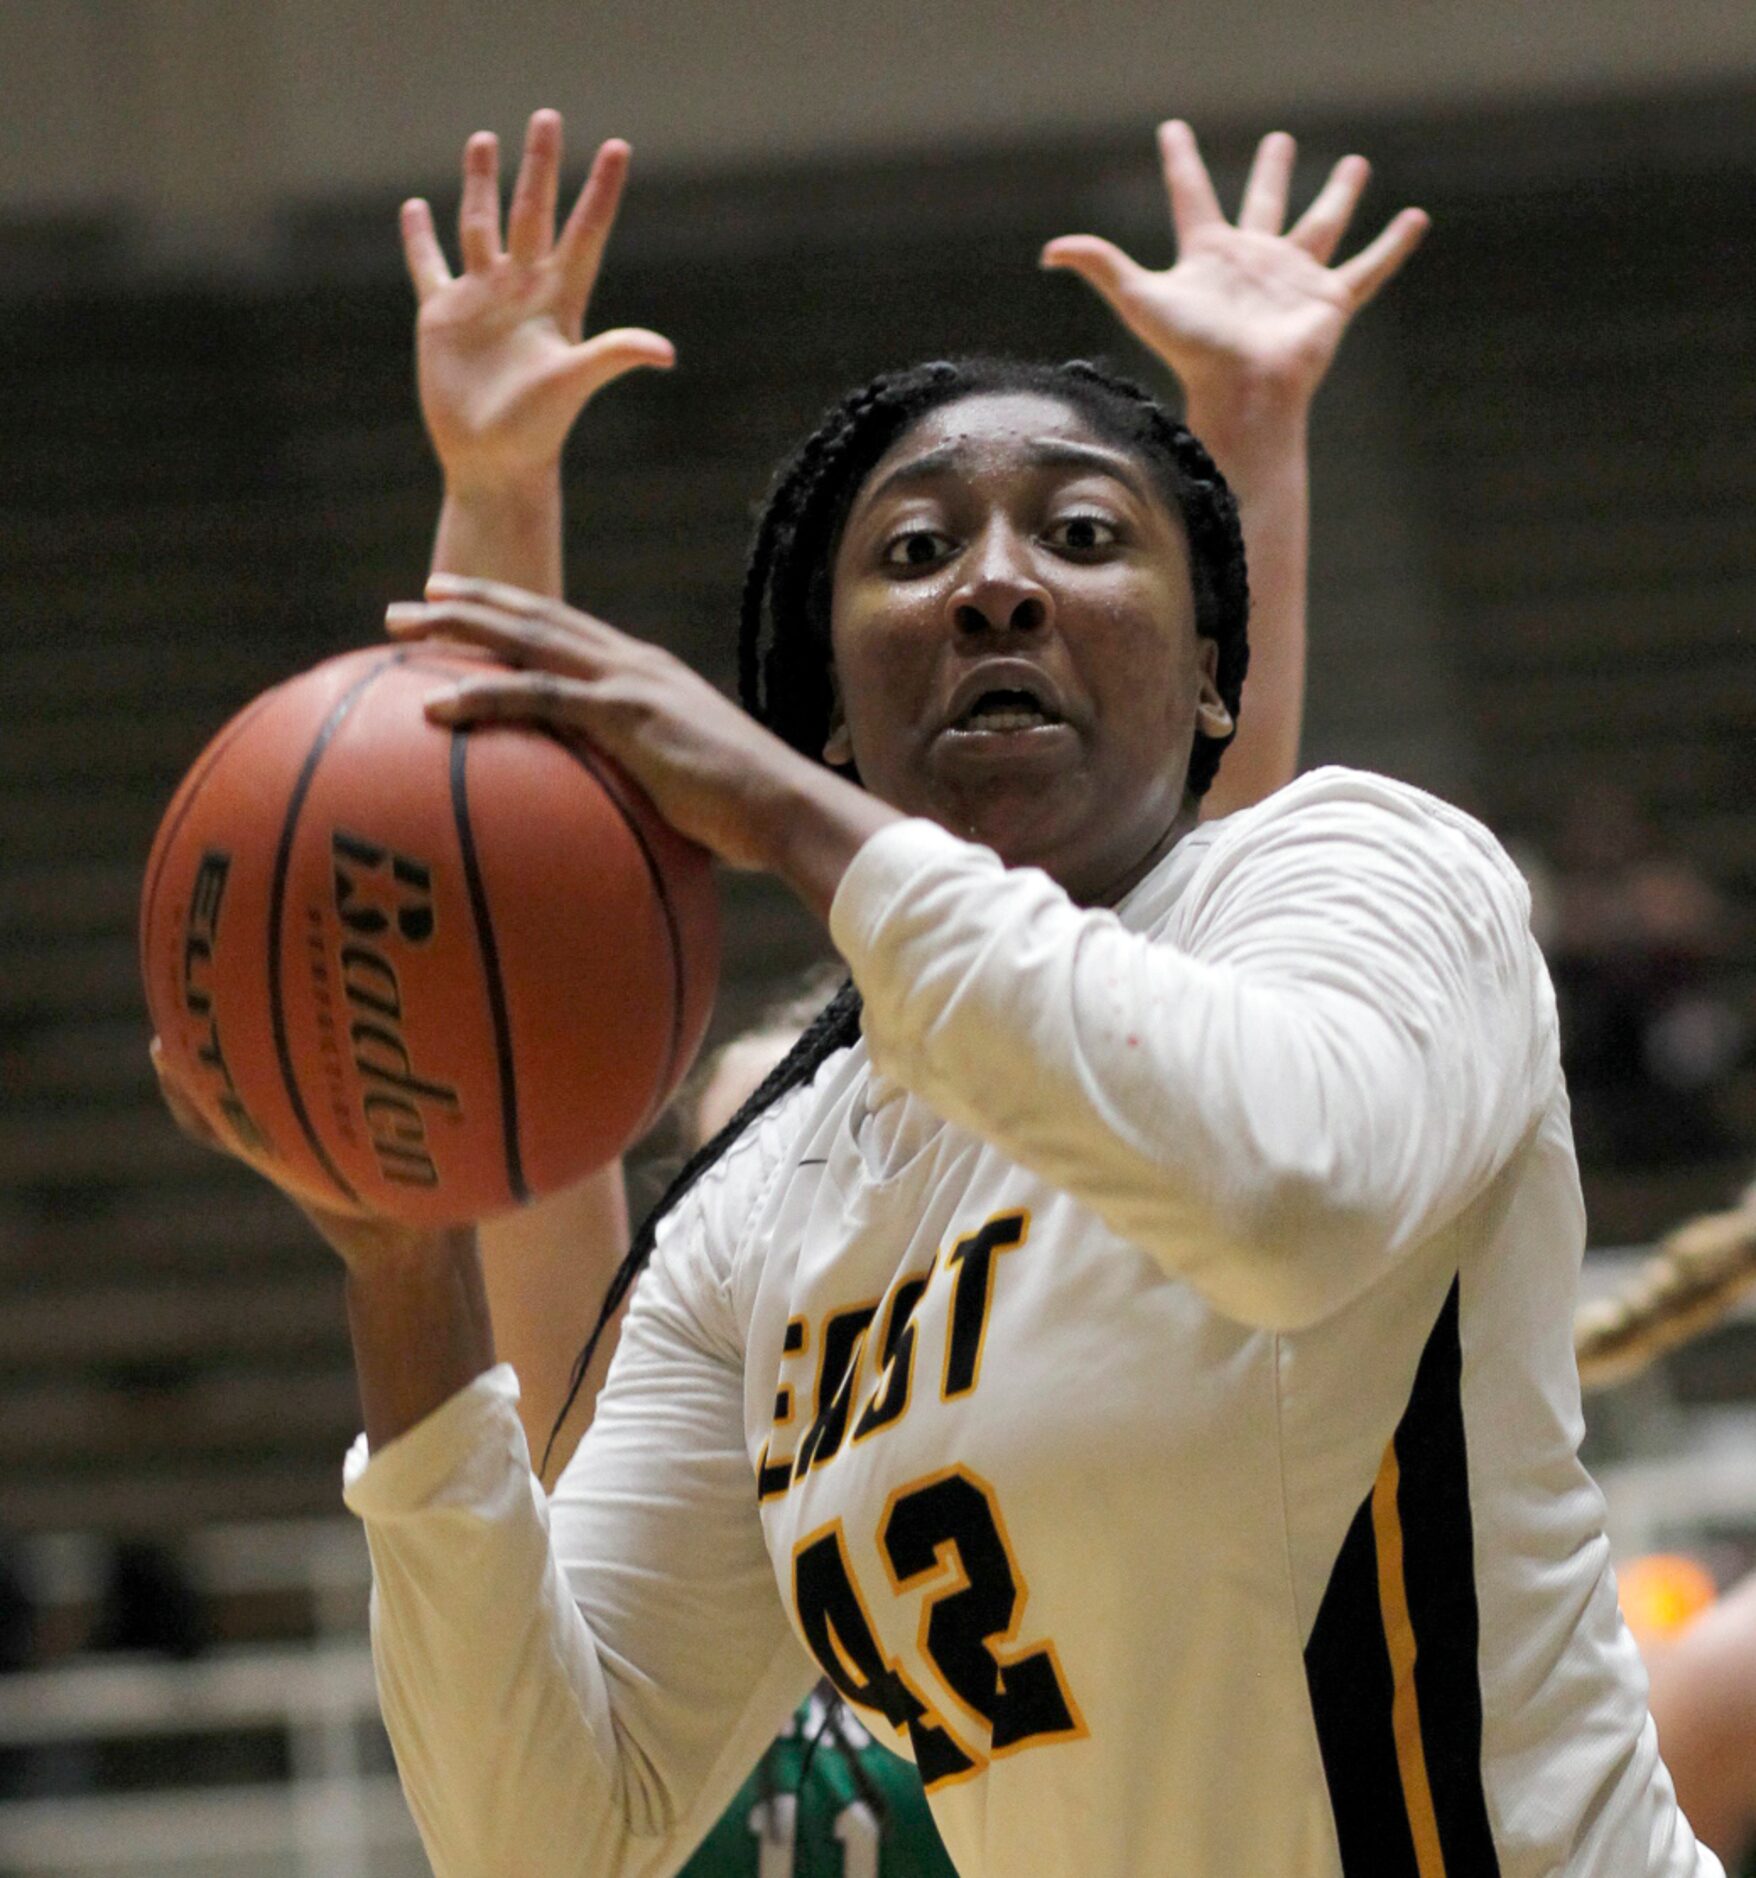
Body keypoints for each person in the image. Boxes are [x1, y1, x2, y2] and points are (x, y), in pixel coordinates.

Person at [154, 116, 1722, 1878]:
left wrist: (773, 808)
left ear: (1216, 681)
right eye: (911, 554)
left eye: (1079, 534)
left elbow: (1290, 1182)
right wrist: (399, 1271)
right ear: (831, 708)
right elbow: (547, 1834)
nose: (993, 582)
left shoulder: (1375, 871)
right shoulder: (765, 1214)